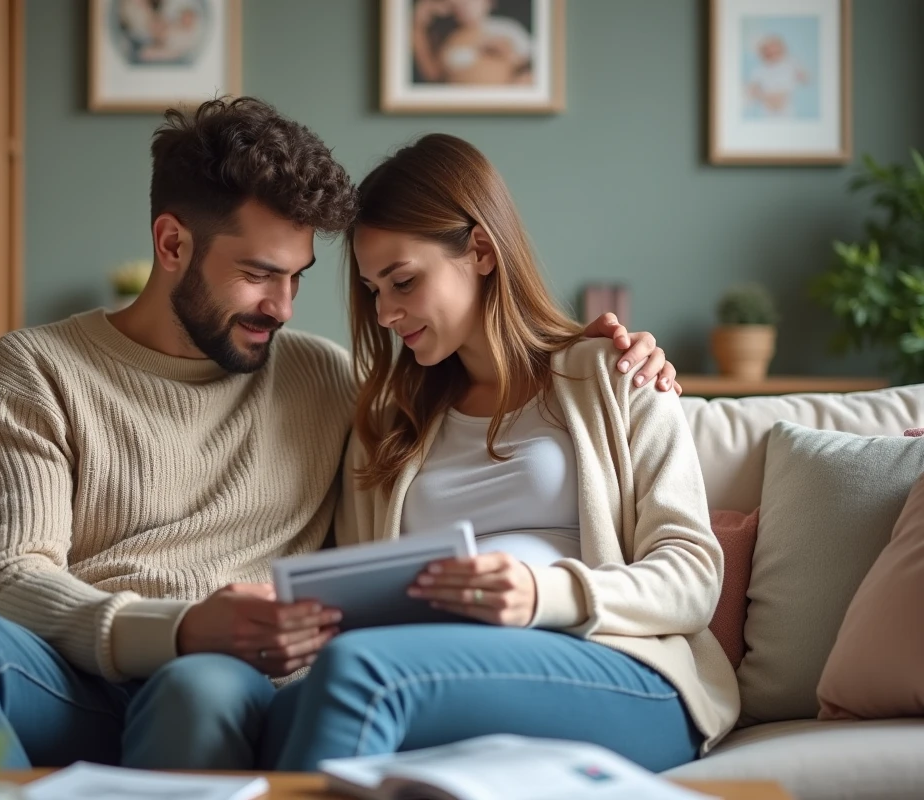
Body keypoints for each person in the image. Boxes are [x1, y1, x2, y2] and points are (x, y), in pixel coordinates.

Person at [0, 98, 682, 772]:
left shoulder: (328, 384)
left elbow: (487, 387)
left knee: (200, 687)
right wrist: (177, 626)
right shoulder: (36, 369)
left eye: (298, 279)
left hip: (222, 684)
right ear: (172, 243)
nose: (283, 309)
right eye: (258, 275)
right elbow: (7, 580)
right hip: (70, 678)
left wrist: (618, 353)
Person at [263, 133, 739, 774]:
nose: (384, 313)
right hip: (435, 670)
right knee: (268, 709)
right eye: (375, 289)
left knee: (358, 677)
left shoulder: (615, 372)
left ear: (481, 250)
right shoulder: (388, 419)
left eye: (402, 281)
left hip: (621, 669)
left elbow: (693, 578)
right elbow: (362, 587)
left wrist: (543, 595)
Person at [413, 0, 533, 86]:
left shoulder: (507, 29)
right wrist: (419, 24)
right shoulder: (449, 38)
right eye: (459, 3)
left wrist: (509, 54)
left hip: (500, 104)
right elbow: (433, 75)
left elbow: (531, 67)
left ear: (489, 2)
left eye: (471, 2)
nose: (464, 6)